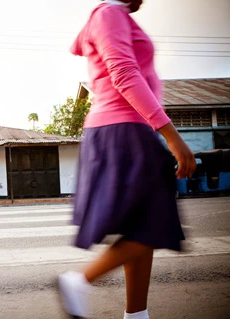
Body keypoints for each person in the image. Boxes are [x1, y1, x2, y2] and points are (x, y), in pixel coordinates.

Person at [58, 1, 197, 318]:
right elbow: (123, 72)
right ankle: (79, 281)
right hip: (121, 128)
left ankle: (137, 314)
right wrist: (173, 137)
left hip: (129, 127)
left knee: (142, 225)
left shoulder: (111, 16)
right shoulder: (110, 13)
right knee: (156, 222)